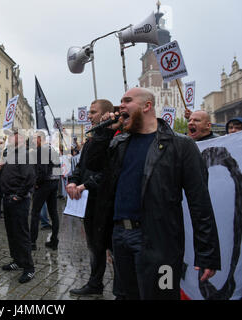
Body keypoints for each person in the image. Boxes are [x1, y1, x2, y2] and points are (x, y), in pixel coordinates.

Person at [87, 87, 221, 300]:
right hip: (121, 238)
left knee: (162, 294)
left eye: (127, 100)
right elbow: (92, 166)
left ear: (147, 106)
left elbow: (200, 202)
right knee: (125, 295)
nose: (120, 105)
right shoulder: (119, 143)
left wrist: (207, 253)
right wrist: (104, 133)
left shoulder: (181, 146)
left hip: (160, 242)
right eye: (120, 101)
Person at [67, 99, 114, 297]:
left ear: (105, 114)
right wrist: (72, 181)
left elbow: (108, 172)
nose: (89, 116)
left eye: (94, 112)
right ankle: (95, 284)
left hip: (107, 204)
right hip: (88, 204)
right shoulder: (91, 140)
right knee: (94, 246)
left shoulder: (114, 139)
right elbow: (81, 167)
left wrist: (85, 185)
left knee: (112, 248)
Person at [0, 129, 36, 283]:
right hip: (8, 199)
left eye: (12, 136)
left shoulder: (25, 154)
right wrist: (1, 167)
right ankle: (17, 260)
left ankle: (29, 267)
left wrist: (18, 195)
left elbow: (30, 178)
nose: (9, 138)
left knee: (21, 234)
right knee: (11, 233)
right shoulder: (11, 154)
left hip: (18, 200)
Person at [29, 130, 60, 251]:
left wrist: (36, 184)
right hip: (53, 183)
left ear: (39, 138)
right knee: (53, 213)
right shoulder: (52, 149)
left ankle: (32, 242)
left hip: (45, 184)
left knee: (35, 212)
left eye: (33, 138)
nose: (32, 141)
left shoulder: (41, 150)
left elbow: (42, 171)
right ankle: (54, 241)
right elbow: (57, 168)